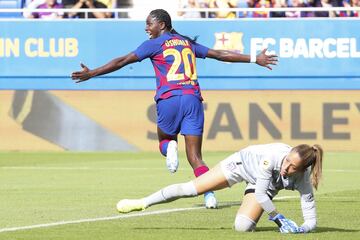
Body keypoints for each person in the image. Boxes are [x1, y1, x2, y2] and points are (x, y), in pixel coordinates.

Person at [71, 9, 278, 209]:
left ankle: (170, 146)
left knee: (164, 140)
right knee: (195, 157)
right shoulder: (187, 42)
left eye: (149, 23)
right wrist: (254, 59)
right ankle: (209, 194)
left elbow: (123, 61)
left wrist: (93, 73)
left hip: (169, 98)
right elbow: (220, 54)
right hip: (192, 99)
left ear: (161, 24)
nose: (146, 28)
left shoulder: (154, 44)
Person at [116, 143, 323, 233]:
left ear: (302, 169)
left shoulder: (304, 180)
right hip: (240, 166)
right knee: (190, 189)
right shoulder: (273, 158)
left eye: (292, 167)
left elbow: (311, 219)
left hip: (261, 184)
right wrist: (278, 218)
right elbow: (261, 194)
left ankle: (248, 203)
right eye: (286, 161)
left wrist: (301, 230)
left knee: (243, 227)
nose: (285, 167)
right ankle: (143, 202)